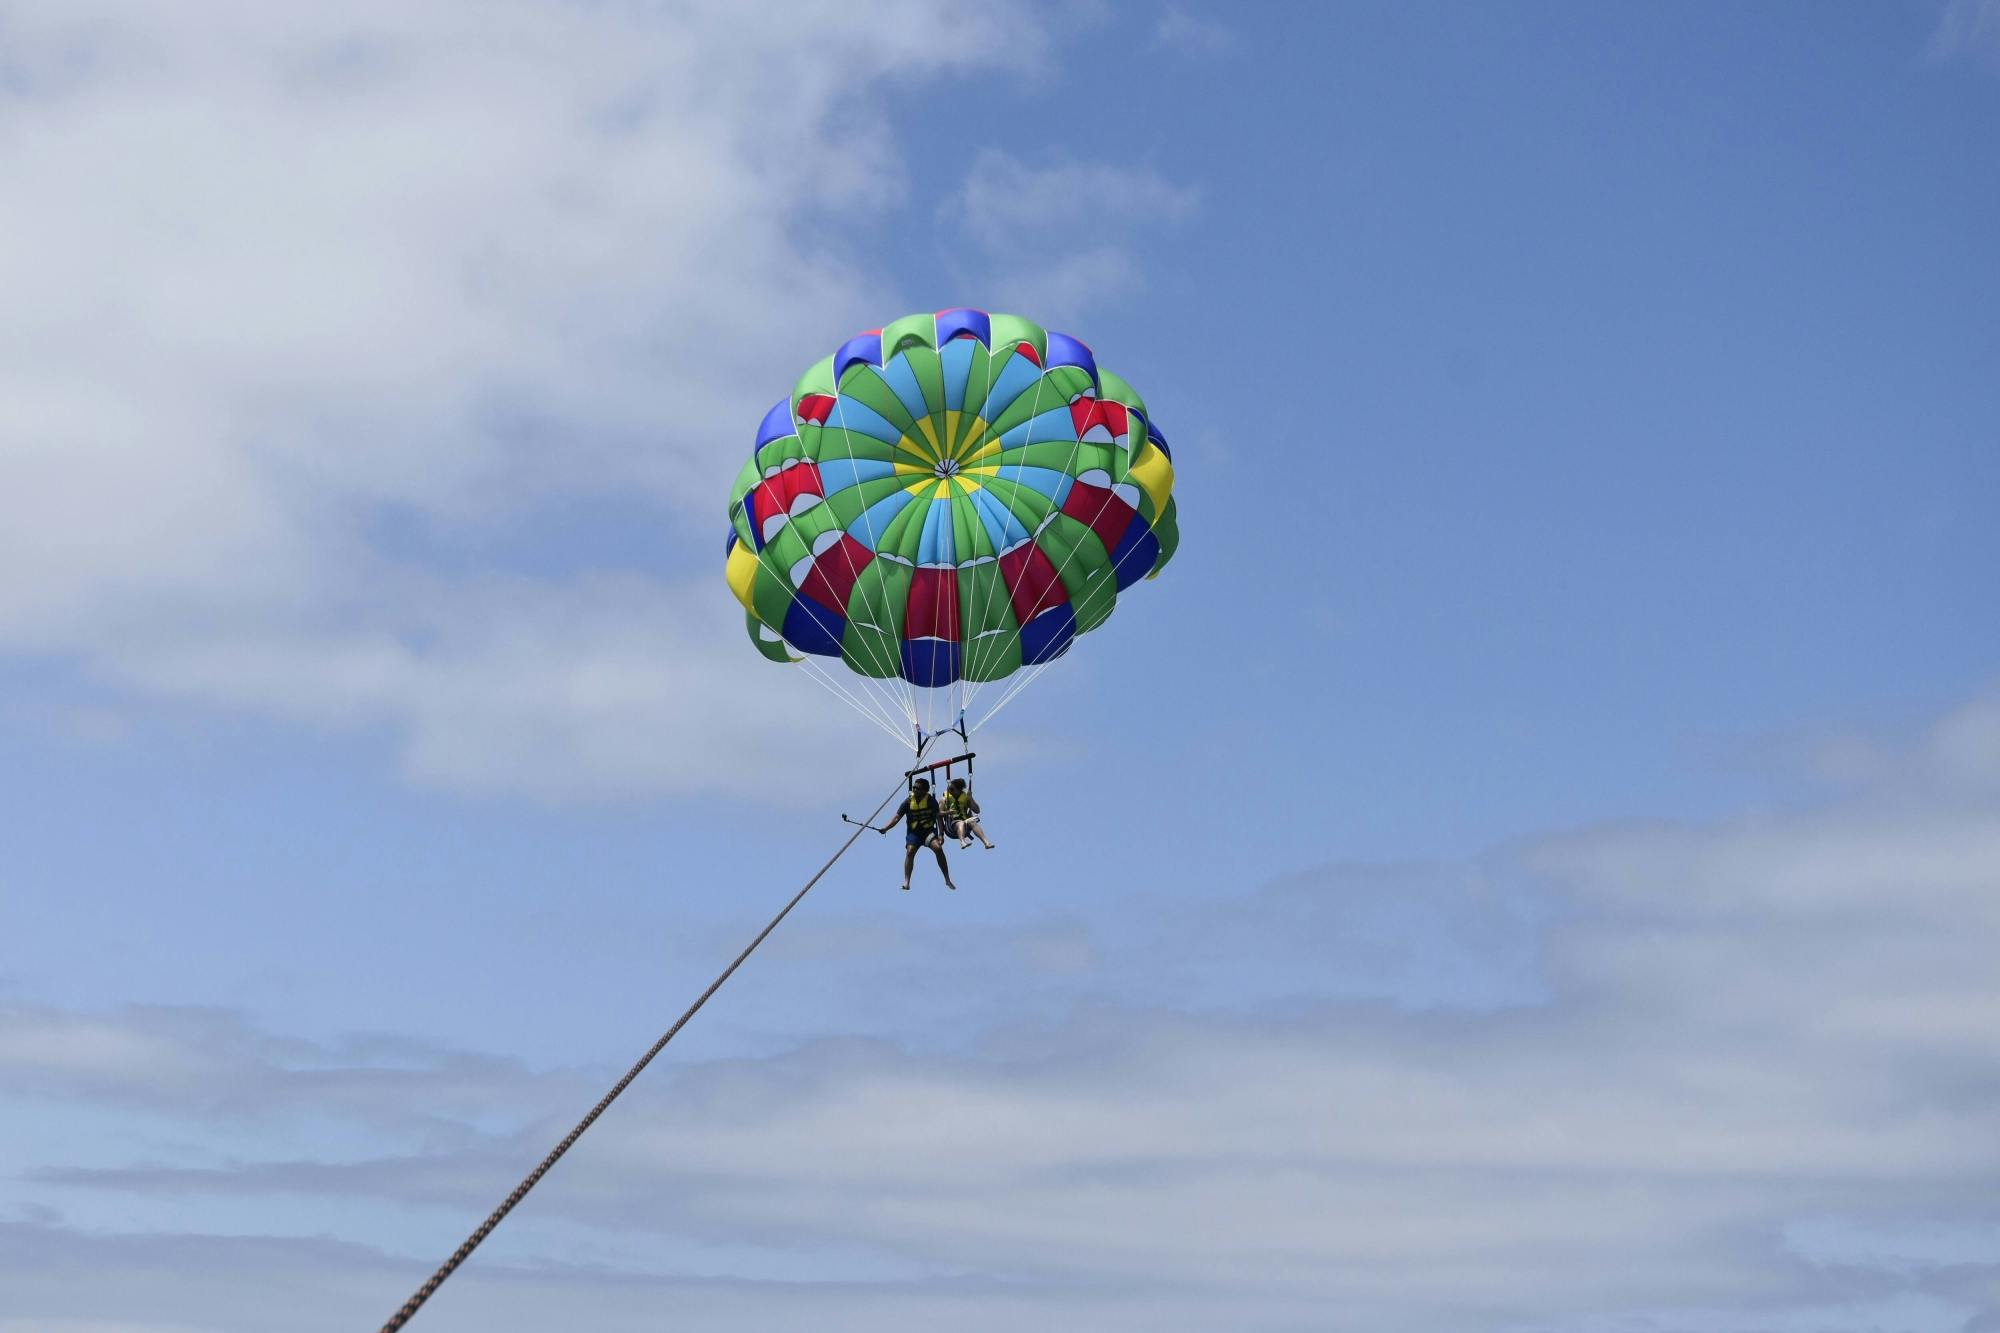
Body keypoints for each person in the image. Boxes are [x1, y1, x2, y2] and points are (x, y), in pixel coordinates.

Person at [879, 777, 955, 891]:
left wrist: (941, 835)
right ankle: (906, 881)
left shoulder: (930, 801)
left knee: (938, 849)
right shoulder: (908, 801)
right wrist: (886, 828)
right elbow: (896, 818)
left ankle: (947, 879)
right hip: (914, 833)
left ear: (925, 790)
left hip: (928, 831)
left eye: (917, 788)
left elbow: (938, 817)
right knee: (910, 851)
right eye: (913, 787)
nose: (914, 789)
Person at [941, 777, 994, 850]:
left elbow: (977, 810)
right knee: (960, 823)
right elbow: (938, 814)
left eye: (952, 789)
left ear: (959, 790)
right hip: (951, 826)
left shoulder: (965, 797)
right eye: (949, 789)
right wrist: (948, 812)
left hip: (965, 823)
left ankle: (986, 843)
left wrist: (970, 798)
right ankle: (962, 842)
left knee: (972, 821)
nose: (949, 791)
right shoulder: (944, 799)